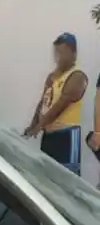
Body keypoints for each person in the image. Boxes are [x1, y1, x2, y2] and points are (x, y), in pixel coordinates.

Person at [24, 33, 88, 175]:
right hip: (49, 136)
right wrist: (33, 124)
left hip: (66, 137)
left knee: (68, 179)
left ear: (74, 54)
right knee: (47, 176)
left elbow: (61, 104)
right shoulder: (52, 76)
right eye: (57, 53)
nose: (58, 57)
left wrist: (39, 126)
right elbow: (44, 102)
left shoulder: (77, 76)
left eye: (62, 52)